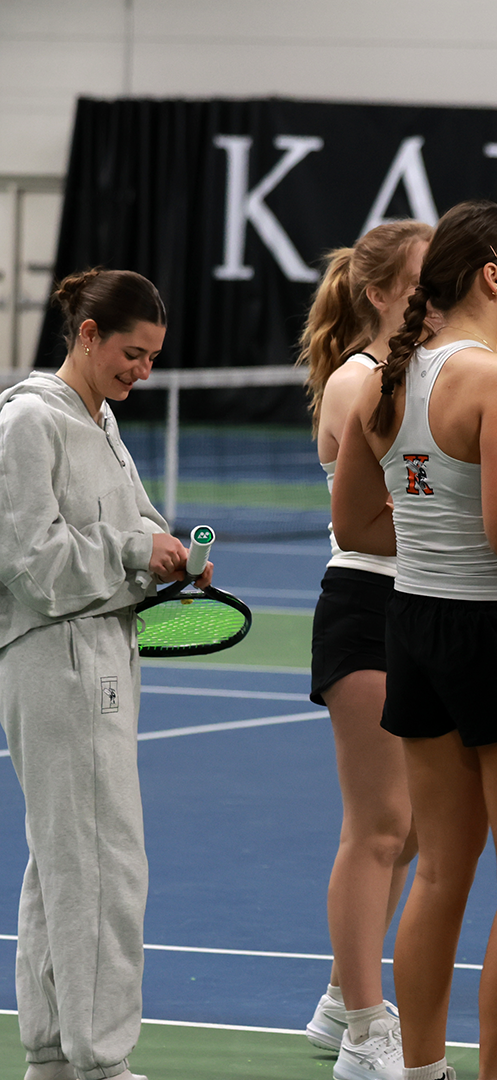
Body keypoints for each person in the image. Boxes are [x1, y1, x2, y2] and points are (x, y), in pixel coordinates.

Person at [331, 200, 497, 1080]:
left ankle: (423, 1068)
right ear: (492, 276)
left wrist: (434, 540)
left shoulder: (383, 381)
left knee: (439, 872)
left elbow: (354, 524)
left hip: (415, 626)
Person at [0, 268, 185, 1080]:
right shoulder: (29, 424)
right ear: (87, 334)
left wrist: (171, 549)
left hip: (104, 652)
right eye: (131, 352)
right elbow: (30, 560)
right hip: (57, 658)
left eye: (150, 358)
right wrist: (131, 553)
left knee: (63, 858)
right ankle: (103, 1063)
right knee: (104, 862)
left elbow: (135, 521)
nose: (141, 369)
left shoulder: (100, 419)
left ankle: (51, 1054)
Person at [298, 220, 430, 1079]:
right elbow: (381, 515)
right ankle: (366, 1028)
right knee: (379, 827)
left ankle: (345, 993)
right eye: (420, 281)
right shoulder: (360, 380)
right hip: (367, 604)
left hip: (427, 606)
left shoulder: (426, 372)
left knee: (414, 825)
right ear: (379, 293)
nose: (433, 294)